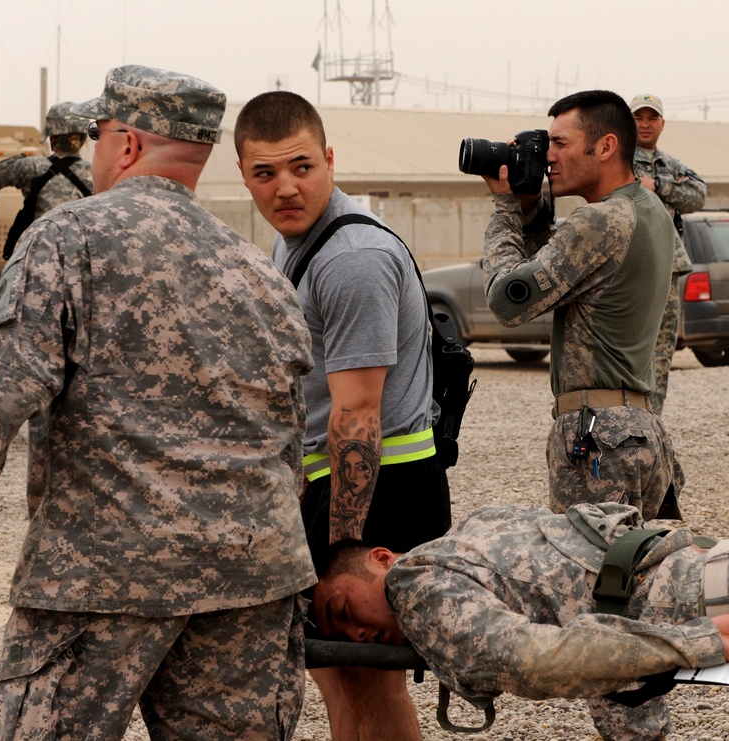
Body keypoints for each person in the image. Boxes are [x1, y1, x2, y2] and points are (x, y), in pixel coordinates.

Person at [0, 65, 316, 740]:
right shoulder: (262, 271)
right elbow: (292, 437)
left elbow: (0, 385)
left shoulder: (65, 239)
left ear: (125, 143)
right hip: (251, 576)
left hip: (103, 574)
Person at [314, 502, 729, 739]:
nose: (357, 636)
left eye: (343, 610)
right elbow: (599, 631)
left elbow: (531, 660)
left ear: (381, 559)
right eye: (341, 637)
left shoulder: (414, 584)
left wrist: (703, 643)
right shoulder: (477, 530)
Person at [235, 90, 451, 741]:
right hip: (335, 488)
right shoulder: (294, 243)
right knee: (339, 674)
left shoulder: (350, 258)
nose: (286, 187)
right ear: (244, 176)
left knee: (366, 675)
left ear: (330, 158)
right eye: (265, 173)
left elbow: (358, 412)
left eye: (302, 166)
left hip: (381, 489)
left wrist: (340, 553)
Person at [479, 89, 681, 521]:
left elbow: (507, 301)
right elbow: (558, 272)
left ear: (606, 146)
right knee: (638, 576)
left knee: (589, 580)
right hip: (638, 430)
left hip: (599, 436)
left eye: (560, 143)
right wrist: (531, 207)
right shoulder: (648, 211)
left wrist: (504, 209)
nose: (548, 156)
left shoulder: (600, 219)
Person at [629, 93, 708, 415]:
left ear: (662, 123)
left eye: (652, 118)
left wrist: (657, 185)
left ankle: (652, 418)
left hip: (667, 265)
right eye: (638, 117)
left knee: (661, 349)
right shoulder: (616, 159)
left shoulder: (669, 165)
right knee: (630, 343)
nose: (645, 124)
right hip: (629, 265)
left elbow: (698, 194)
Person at [0, 101, 94, 220]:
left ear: (51, 137)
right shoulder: (96, 174)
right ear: (83, 138)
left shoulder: (29, 167)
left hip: (41, 247)